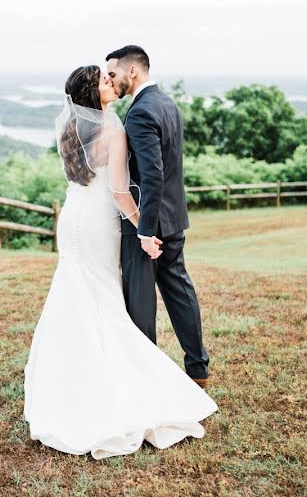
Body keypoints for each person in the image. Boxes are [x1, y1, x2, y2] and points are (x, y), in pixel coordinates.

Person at [23, 64, 217, 460]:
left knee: (76, 293)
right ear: (94, 94)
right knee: (104, 299)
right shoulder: (113, 131)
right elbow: (118, 192)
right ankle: (111, 385)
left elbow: (83, 179)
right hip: (97, 224)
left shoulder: (68, 129)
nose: (110, 83)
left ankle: (68, 384)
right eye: (103, 81)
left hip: (72, 220)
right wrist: (144, 232)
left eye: (110, 77)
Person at [106, 45, 211, 388]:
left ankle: (145, 377)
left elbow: (152, 176)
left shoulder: (138, 113)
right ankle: (198, 369)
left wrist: (143, 231)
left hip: (148, 225)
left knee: (140, 302)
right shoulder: (167, 103)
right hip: (174, 218)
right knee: (180, 291)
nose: (112, 80)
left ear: (132, 71)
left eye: (114, 73)